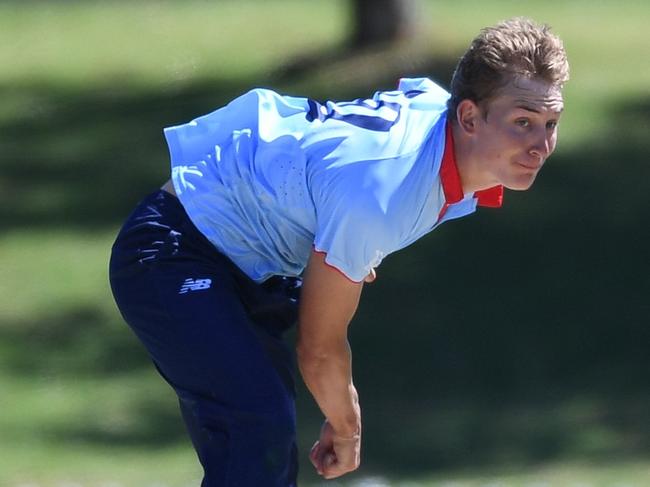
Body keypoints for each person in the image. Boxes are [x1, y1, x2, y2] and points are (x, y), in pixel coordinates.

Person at [109, 16, 569, 486]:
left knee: (259, 451)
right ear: (469, 117)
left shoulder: (442, 130)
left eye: (551, 123)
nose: (541, 145)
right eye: (523, 123)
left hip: (257, 264)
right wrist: (346, 427)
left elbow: (399, 114)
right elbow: (320, 349)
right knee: (258, 424)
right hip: (176, 249)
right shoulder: (381, 192)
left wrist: (348, 237)